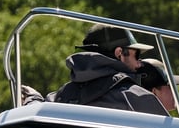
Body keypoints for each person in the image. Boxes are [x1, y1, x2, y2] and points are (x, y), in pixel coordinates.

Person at [20, 23, 168, 115]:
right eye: (137, 55)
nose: (139, 64)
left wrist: (32, 99)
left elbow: (39, 113)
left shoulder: (63, 96)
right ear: (119, 53)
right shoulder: (137, 97)